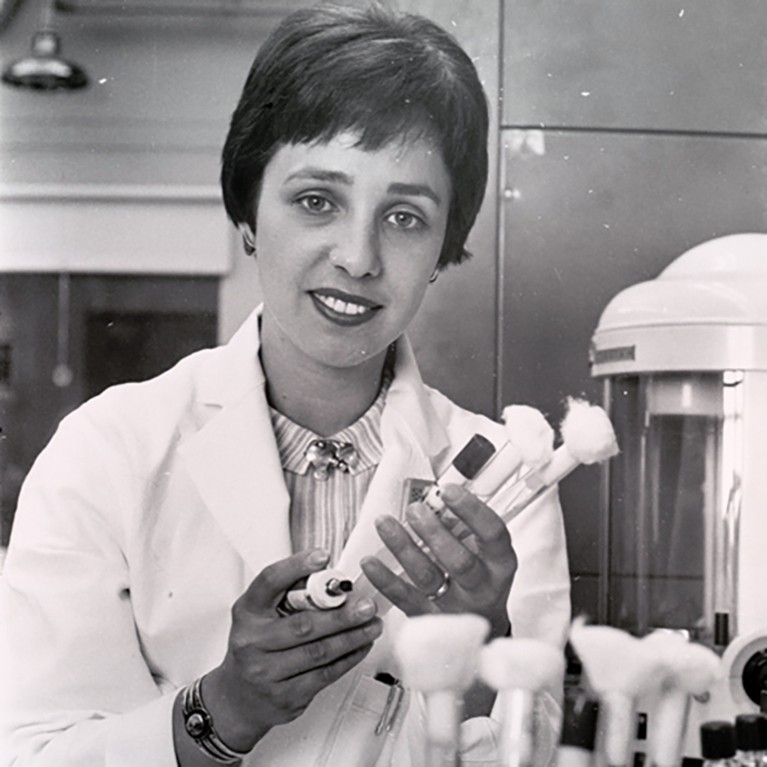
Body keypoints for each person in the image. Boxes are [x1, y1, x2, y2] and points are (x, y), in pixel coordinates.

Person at [0, 3, 570, 766]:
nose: (358, 257)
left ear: (443, 247)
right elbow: (33, 750)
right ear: (247, 211)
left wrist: (472, 656)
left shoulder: (502, 479)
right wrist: (226, 706)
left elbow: (536, 754)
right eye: (315, 201)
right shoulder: (105, 451)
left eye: (404, 216)